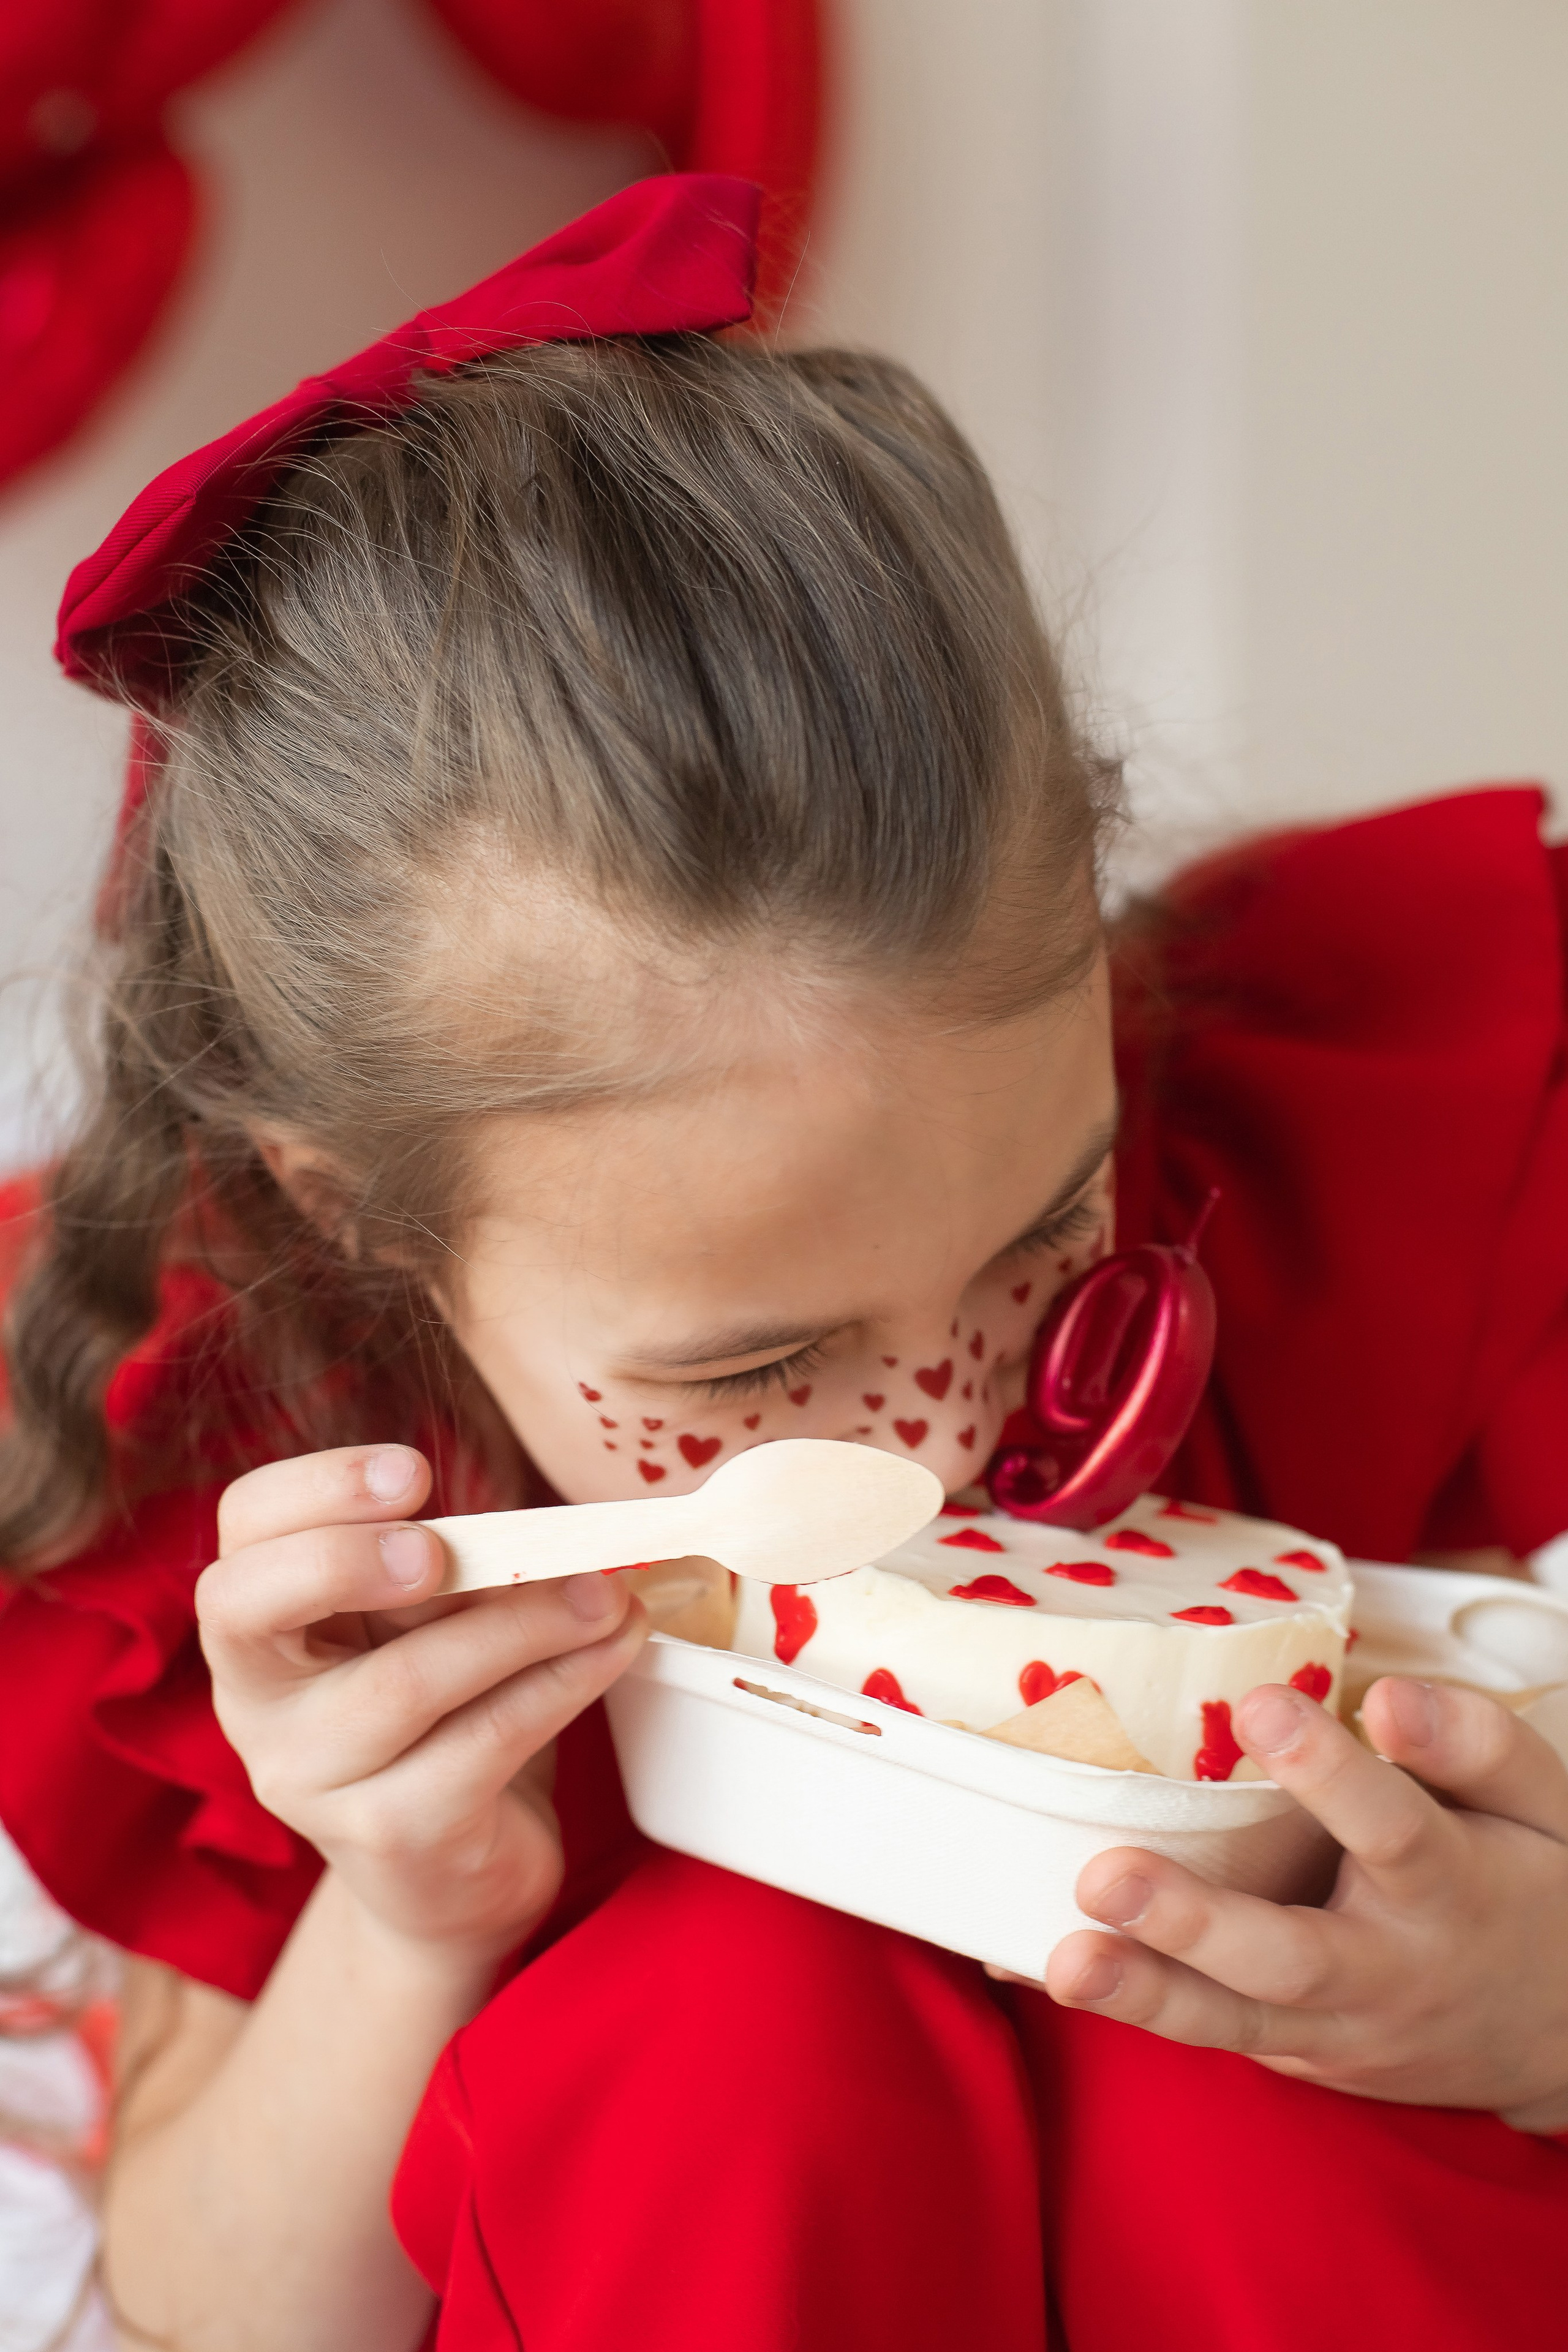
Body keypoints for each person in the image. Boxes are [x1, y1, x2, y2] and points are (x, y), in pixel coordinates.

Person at [1, 174, 1567, 2352]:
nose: (948, 1427)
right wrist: (411, 1912)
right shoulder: (266, 1475)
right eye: (759, 1366)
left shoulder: (1361, 1156)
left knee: (1235, 2083)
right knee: (723, 2027)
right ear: (353, 1213)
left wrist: (1540, 2014)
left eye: (1044, 1234)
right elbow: (210, 2303)